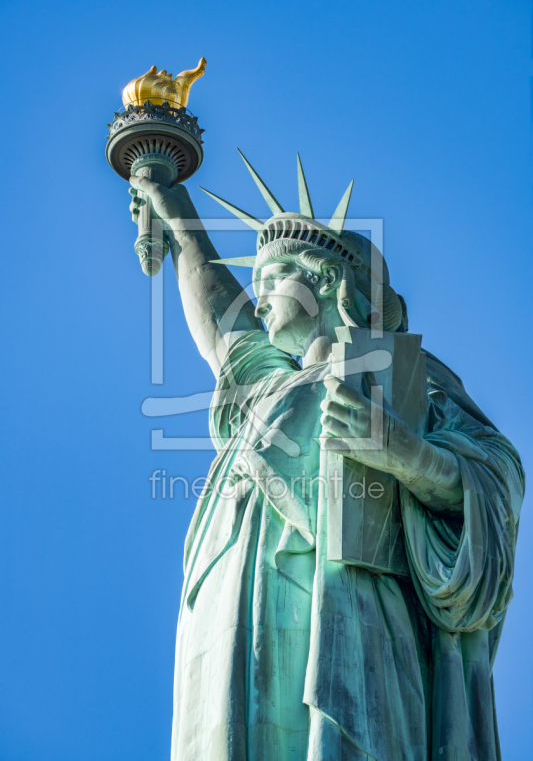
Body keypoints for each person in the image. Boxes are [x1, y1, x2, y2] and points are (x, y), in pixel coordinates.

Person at [129, 168, 524, 761]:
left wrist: (407, 455)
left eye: (275, 276)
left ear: (330, 280)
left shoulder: (401, 377)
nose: (256, 296)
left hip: (353, 603)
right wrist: (167, 196)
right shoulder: (269, 389)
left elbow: (498, 477)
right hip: (240, 604)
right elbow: (222, 326)